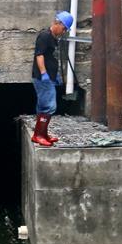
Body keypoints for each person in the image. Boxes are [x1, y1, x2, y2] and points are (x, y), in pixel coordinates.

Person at [31, 11, 73, 146]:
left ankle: (42, 134)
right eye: (64, 28)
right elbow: (40, 55)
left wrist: (56, 76)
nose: (64, 31)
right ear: (58, 23)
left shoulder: (53, 37)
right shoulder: (44, 36)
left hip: (49, 77)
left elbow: (50, 57)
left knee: (43, 105)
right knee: (48, 106)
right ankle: (38, 135)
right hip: (43, 78)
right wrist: (44, 74)